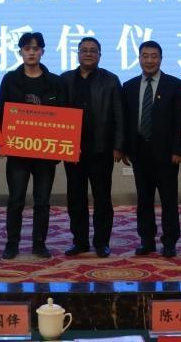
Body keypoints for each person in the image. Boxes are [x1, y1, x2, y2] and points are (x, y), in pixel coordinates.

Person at [0, 32, 67, 259]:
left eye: (36, 49)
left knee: (42, 201)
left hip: (45, 153)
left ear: (42, 52)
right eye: (27, 48)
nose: (31, 52)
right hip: (18, 152)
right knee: (16, 199)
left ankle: (39, 243)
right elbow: (1, 112)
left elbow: (64, 116)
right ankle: (12, 243)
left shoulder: (55, 82)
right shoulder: (10, 79)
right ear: (20, 52)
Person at [59, 36, 125, 258]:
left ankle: (101, 242)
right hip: (73, 150)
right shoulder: (65, 80)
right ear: (78, 54)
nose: (88, 53)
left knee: (102, 198)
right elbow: (58, 115)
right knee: (75, 198)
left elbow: (119, 115)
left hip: (101, 149)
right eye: (84, 50)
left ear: (100, 55)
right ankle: (80, 242)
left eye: (93, 50)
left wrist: (118, 145)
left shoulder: (111, 80)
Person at [122, 41, 181, 258]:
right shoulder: (129, 86)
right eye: (145, 56)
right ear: (139, 58)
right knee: (144, 200)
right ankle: (147, 240)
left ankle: (170, 242)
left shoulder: (175, 85)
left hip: (167, 154)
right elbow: (126, 120)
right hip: (139, 152)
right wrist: (125, 149)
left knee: (169, 200)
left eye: (154, 56)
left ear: (161, 59)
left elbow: (180, 120)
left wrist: (179, 149)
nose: (149, 60)